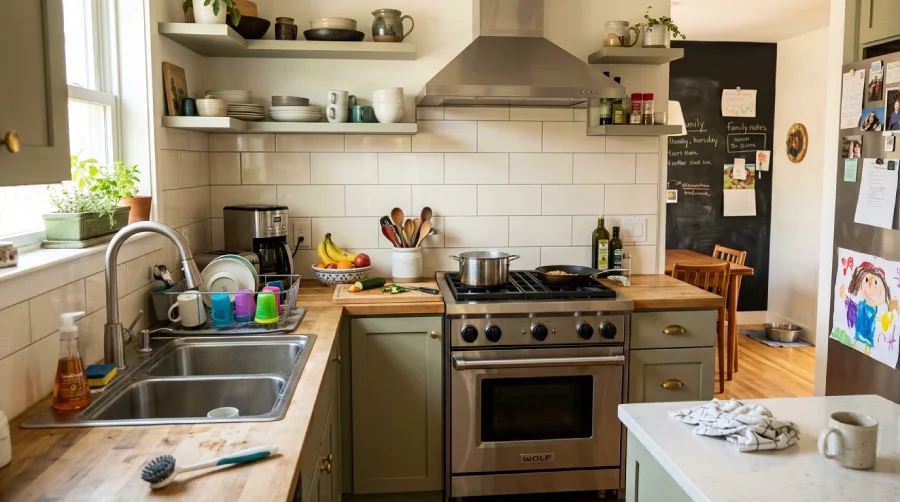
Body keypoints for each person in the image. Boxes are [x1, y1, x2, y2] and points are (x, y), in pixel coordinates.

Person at [840, 262, 900, 354]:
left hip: (869, 337)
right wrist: (845, 297)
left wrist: (892, 312)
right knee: (856, 348)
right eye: (867, 280)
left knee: (866, 351)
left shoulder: (876, 310)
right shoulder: (862, 305)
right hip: (859, 334)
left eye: (876, 282)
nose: (871, 287)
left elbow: (881, 320)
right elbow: (853, 309)